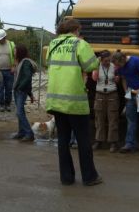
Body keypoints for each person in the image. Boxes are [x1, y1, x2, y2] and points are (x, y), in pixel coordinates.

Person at [46, 18, 102, 187]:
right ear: (76, 30)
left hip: (56, 100)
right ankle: (89, 177)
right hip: (74, 101)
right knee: (83, 140)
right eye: (79, 30)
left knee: (63, 140)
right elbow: (91, 66)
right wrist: (96, 59)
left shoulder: (53, 45)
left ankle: (66, 177)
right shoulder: (80, 44)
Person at [111, 50, 139, 155]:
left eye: (118, 64)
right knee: (131, 120)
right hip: (131, 93)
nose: (117, 67)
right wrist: (126, 92)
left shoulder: (136, 61)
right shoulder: (121, 66)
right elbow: (124, 79)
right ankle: (129, 143)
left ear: (122, 60)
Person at [91, 50, 120, 153]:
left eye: (108, 60)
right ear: (101, 60)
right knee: (99, 119)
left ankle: (113, 142)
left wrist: (117, 78)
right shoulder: (97, 66)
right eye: (105, 61)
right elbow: (94, 78)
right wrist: (97, 65)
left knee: (113, 118)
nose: (107, 63)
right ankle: (99, 140)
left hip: (112, 94)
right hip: (100, 94)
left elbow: (118, 78)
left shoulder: (114, 67)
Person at [12, 44, 38, 141]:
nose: (14, 52)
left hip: (20, 91)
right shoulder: (20, 62)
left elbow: (27, 78)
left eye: (15, 50)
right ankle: (21, 132)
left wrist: (20, 87)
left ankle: (29, 133)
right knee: (20, 112)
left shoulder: (26, 63)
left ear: (20, 52)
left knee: (19, 112)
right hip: (18, 90)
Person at [0, 29, 15, 112]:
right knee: (0, 89)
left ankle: (8, 104)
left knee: (9, 89)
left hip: (9, 71)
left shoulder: (11, 44)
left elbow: (16, 56)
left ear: (5, 37)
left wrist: (14, 66)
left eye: (1, 39)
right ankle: (1, 104)